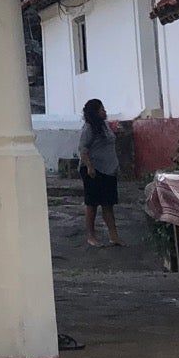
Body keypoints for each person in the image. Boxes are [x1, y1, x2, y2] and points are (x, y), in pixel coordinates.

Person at [78, 98, 122, 248]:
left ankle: (113, 236)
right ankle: (91, 236)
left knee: (108, 203)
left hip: (108, 170)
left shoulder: (104, 126)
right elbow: (83, 149)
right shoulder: (89, 128)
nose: (105, 111)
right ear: (95, 112)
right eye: (101, 109)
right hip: (94, 171)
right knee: (92, 204)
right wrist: (89, 166)